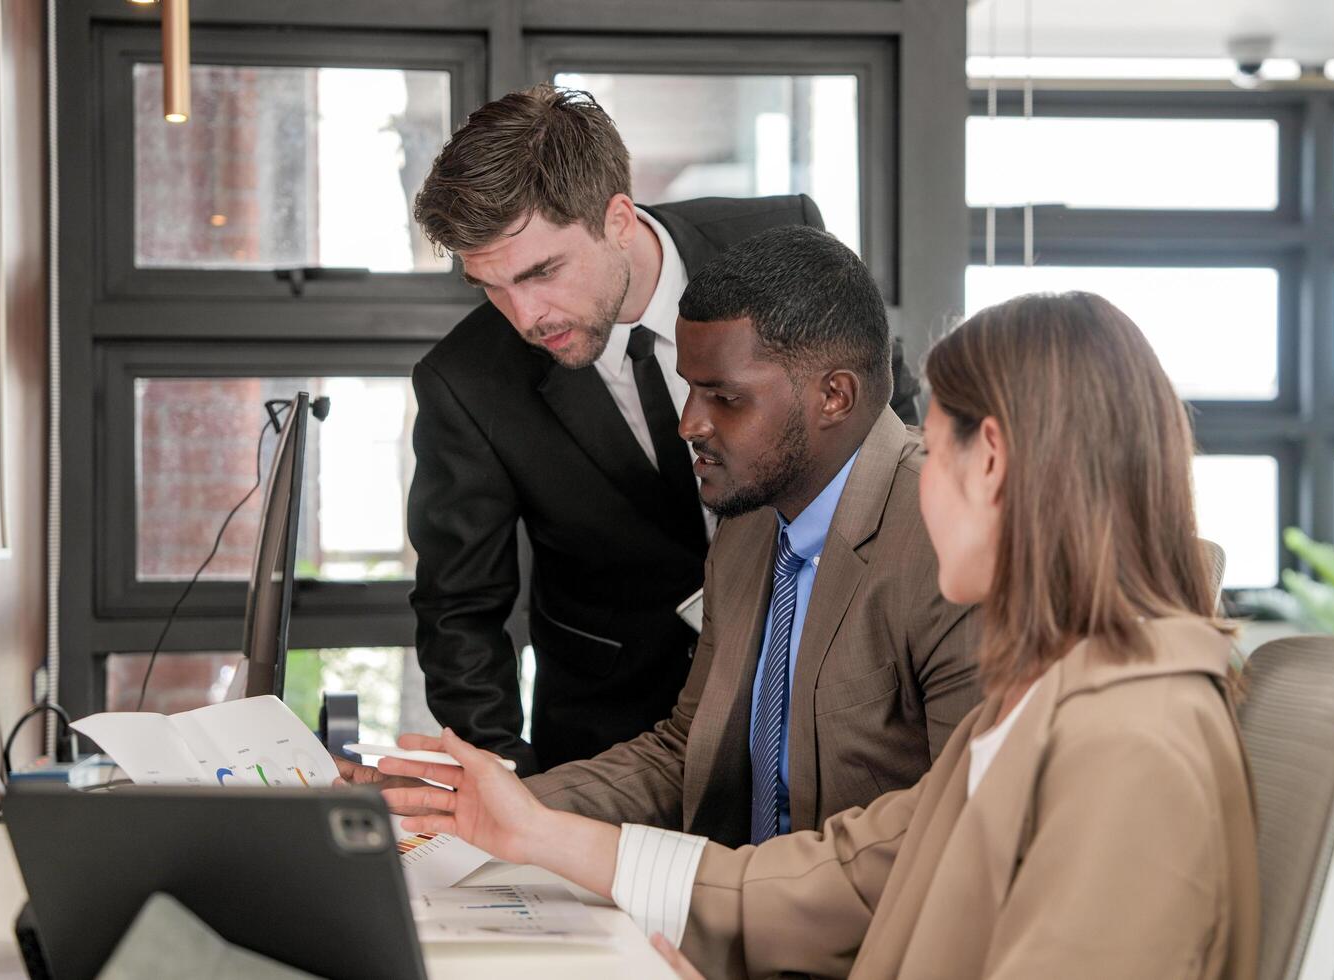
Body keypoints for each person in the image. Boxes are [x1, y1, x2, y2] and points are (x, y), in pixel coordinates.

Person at [379, 291, 1262, 980]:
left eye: (936, 448)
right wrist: (532, 830)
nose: (919, 480)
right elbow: (849, 871)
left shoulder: (1130, 743)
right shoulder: (1053, 700)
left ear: (988, 459)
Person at [407, 84, 831, 773]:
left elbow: (882, 440)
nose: (525, 316)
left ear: (619, 218)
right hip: (609, 741)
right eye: (492, 286)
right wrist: (510, 792)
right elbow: (459, 613)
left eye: (542, 271)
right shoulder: (466, 380)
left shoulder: (782, 243)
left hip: (816, 703)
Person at [520, 225, 978, 843]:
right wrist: (501, 804)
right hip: (738, 913)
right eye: (690, 388)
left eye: (724, 397)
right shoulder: (749, 528)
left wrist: (703, 887)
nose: (688, 424)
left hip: (866, 932)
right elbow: (689, 752)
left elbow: (956, 835)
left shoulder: (949, 541)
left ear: (835, 396)